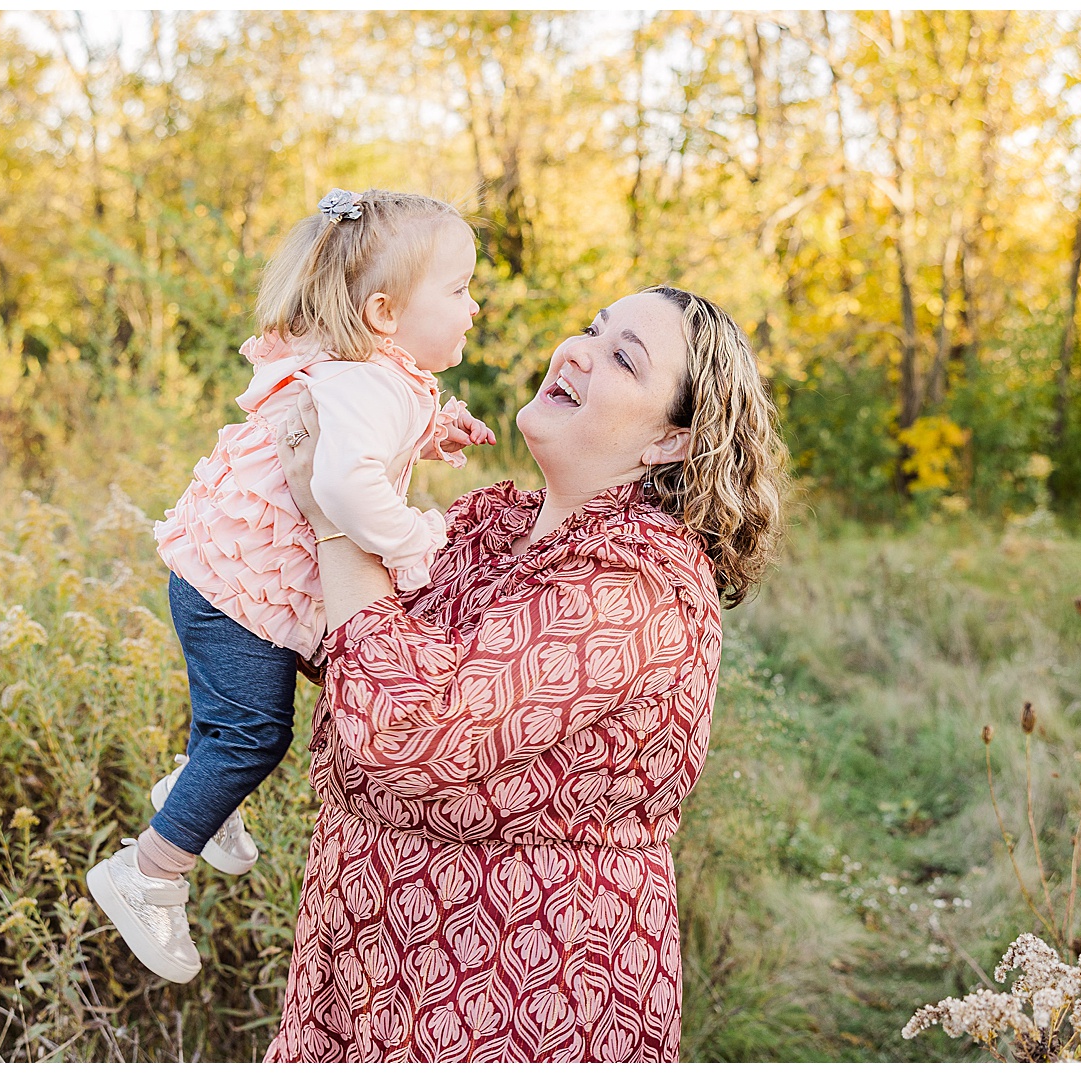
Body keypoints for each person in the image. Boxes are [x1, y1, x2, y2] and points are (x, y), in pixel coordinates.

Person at [264, 286, 790, 1061]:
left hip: (519, 992)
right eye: (589, 326)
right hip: (360, 973)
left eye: (622, 358)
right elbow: (352, 653)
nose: (576, 350)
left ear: (670, 442)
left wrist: (336, 518)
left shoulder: (635, 588)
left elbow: (411, 730)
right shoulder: (488, 526)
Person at [86, 189, 496, 983]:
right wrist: (415, 537)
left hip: (223, 580)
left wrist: (431, 430)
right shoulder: (370, 384)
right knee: (254, 734)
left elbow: (366, 439)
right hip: (237, 599)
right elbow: (343, 487)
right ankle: (150, 871)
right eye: (459, 289)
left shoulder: (368, 370)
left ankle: (198, 787)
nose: (472, 307)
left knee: (240, 727)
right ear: (384, 311)